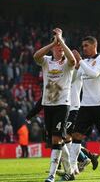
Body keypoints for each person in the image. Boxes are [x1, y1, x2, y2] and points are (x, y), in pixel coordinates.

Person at [69, 36, 100, 179]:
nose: (84, 48)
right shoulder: (85, 63)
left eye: (86, 45)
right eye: (82, 46)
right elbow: (72, 80)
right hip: (85, 106)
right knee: (76, 135)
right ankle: (72, 168)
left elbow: (94, 73)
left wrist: (81, 62)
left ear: (94, 46)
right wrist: (76, 67)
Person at [33, 28, 76, 182]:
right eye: (56, 46)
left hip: (62, 105)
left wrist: (61, 41)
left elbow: (73, 61)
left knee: (57, 140)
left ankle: (51, 175)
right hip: (48, 105)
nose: (59, 47)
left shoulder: (66, 64)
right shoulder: (46, 61)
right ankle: (70, 172)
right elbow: (35, 56)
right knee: (56, 140)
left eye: (61, 46)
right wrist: (52, 43)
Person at [66, 53, 99, 174]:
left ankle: (83, 159)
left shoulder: (79, 70)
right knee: (66, 138)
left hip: (74, 108)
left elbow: (74, 77)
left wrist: (78, 63)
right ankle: (88, 156)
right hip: (65, 109)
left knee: (66, 137)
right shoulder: (64, 71)